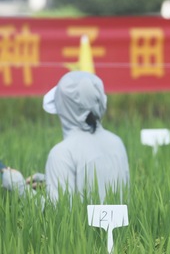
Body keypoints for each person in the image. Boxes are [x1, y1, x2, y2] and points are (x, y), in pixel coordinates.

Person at [1, 71, 130, 203]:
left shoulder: (62, 154)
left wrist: (19, 187)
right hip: (122, 225)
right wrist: (54, 181)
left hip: (81, 225)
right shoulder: (117, 143)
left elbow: (58, 215)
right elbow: (108, 197)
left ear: (65, 108)